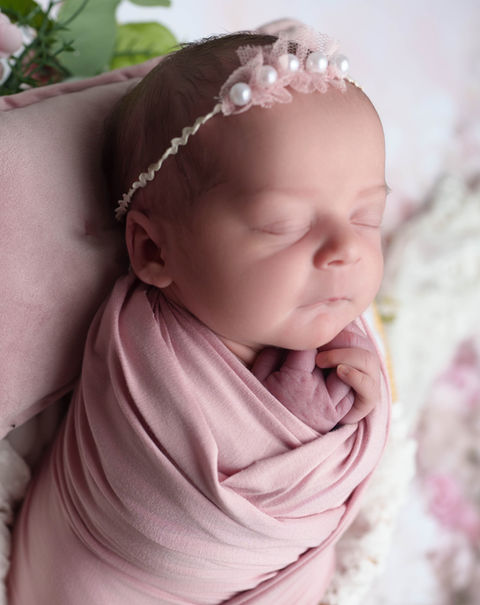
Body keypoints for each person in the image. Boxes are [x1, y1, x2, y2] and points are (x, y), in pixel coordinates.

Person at [8, 26, 391, 604]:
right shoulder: (140, 357)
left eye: (367, 218)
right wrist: (303, 425)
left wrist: (361, 406)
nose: (346, 249)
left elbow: (356, 459)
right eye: (283, 225)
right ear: (154, 251)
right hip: (99, 577)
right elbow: (152, 514)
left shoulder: (333, 326)